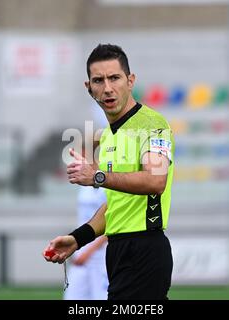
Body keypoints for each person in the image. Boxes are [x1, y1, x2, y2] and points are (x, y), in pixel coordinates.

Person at [44, 44, 175, 300]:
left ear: (130, 80)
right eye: (98, 80)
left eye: (114, 78)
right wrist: (78, 239)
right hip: (117, 252)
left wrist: (97, 177)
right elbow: (116, 206)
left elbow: (156, 181)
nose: (107, 88)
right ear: (88, 88)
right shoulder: (107, 139)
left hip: (144, 248)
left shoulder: (152, 124)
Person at [64, 146, 108, 300]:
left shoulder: (107, 182)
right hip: (82, 249)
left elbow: (111, 220)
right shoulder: (83, 183)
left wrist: (89, 252)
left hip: (101, 254)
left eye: (82, 154)